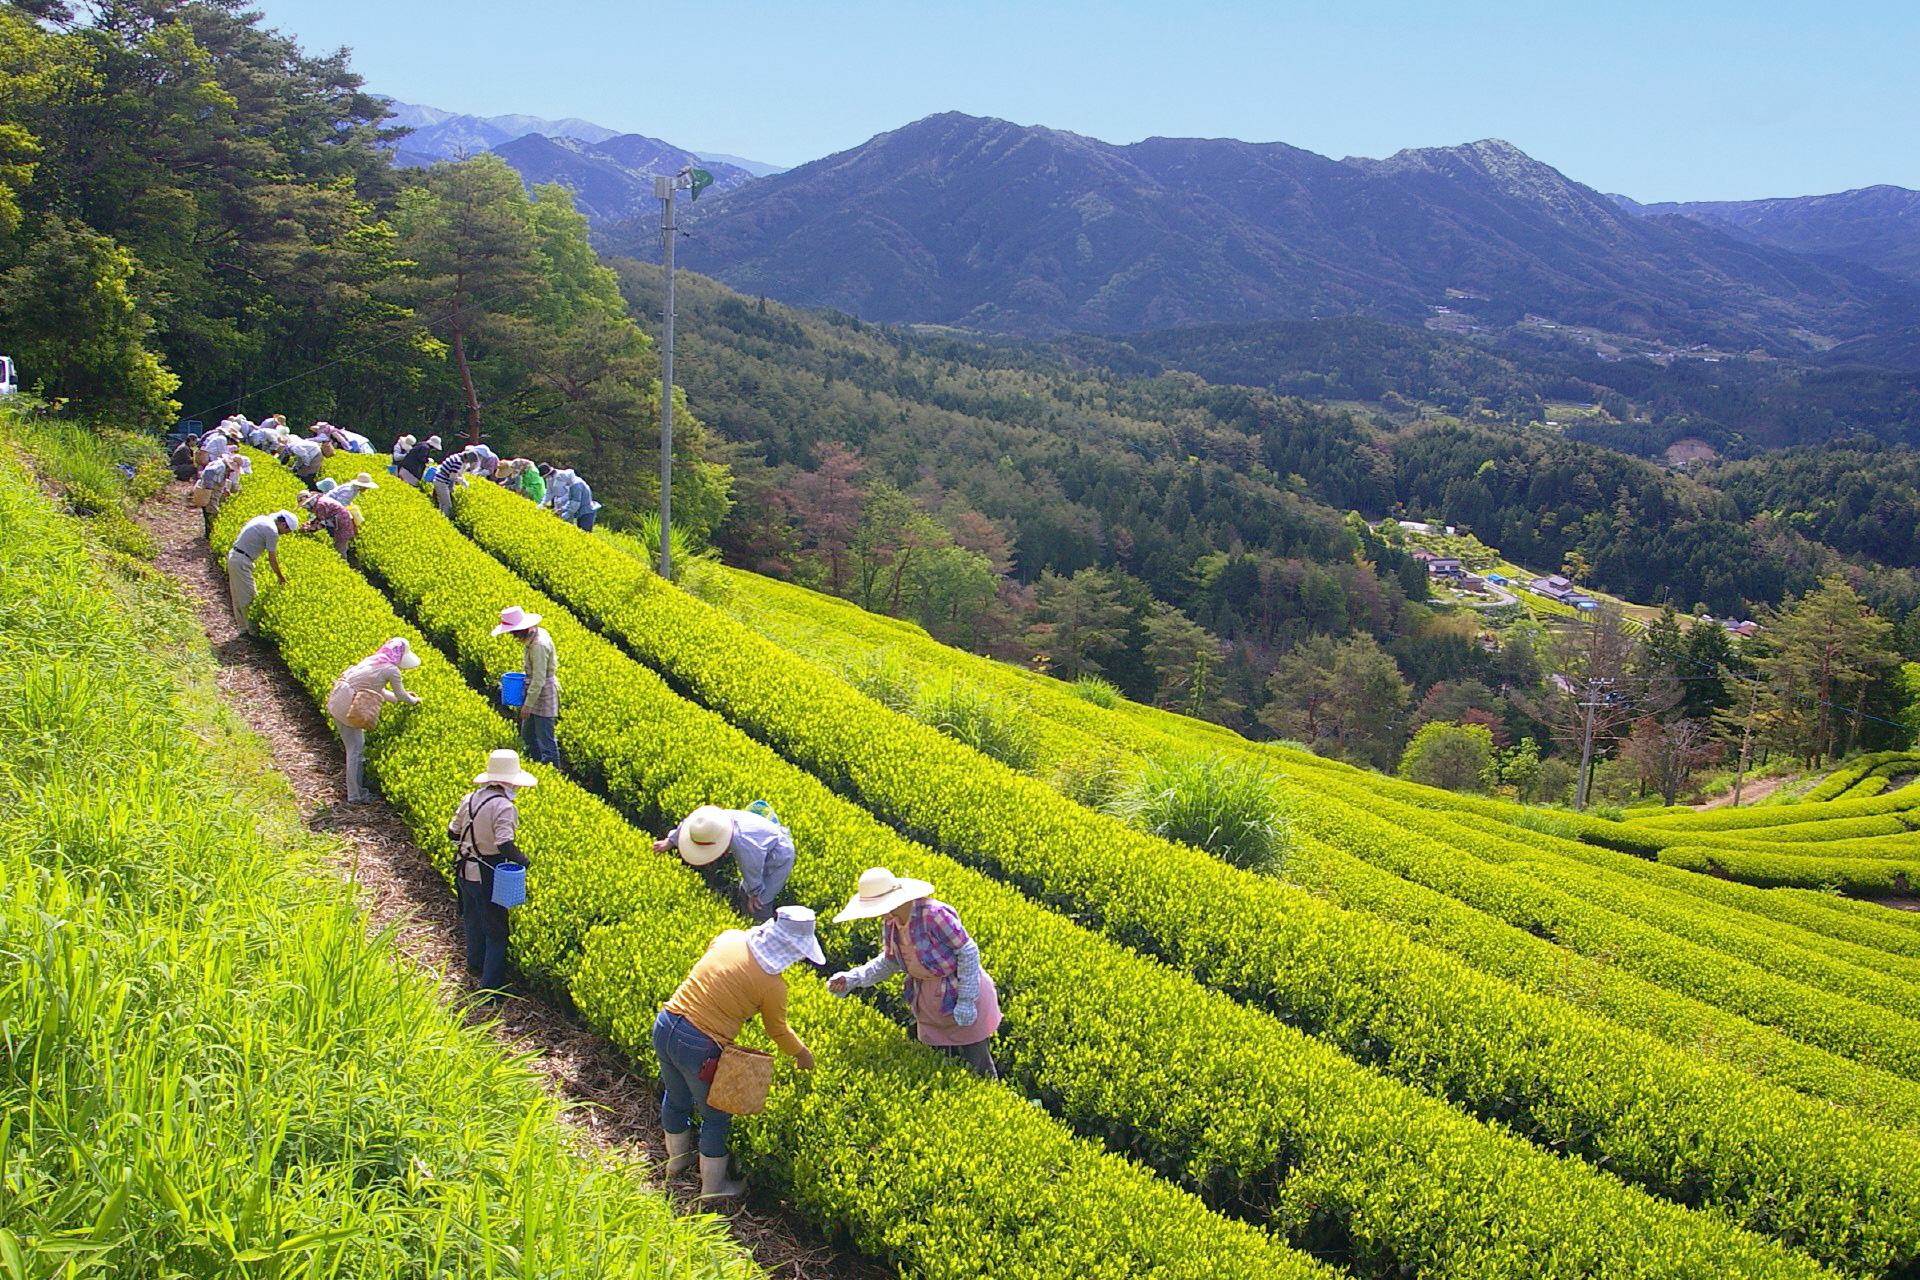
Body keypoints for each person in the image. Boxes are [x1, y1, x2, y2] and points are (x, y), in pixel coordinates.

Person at [654, 907, 820, 1198]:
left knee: (676, 1096)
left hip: (666, 1022)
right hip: (700, 1045)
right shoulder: (773, 986)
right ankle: (714, 1189)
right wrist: (802, 1054)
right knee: (715, 1117)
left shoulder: (730, 938)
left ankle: (676, 1162)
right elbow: (777, 1030)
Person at [828, 867, 1001, 1079]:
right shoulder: (891, 923)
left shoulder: (934, 915)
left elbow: (967, 950)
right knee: (935, 1064)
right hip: (926, 997)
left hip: (958, 988)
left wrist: (966, 999)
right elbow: (889, 961)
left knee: (977, 1060)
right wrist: (853, 978)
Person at [447, 748, 537, 999]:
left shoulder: (470, 798)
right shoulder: (504, 807)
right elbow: (504, 844)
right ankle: (491, 988)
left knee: (473, 919)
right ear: (510, 781)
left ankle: (475, 964)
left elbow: (452, 833)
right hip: (488, 873)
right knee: (497, 931)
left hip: (464, 870)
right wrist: (525, 861)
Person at [653, 805, 796, 923]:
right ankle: (743, 914)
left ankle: (762, 929)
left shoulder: (743, 843)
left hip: (779, 855)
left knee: (761, 902)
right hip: (760, 845)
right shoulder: (712, 821)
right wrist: (670, 841)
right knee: (745, 889)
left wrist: (755, 893)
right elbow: (690, 823)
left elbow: (752, 866)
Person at [326, 637, 422, 804]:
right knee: (355, 750)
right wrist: (414, 701)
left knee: (352, 747)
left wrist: (400, 699)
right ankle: (356, 795)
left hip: (338, 700)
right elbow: (401, 694)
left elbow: (379, 690)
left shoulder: (373, 661)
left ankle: (355, 790)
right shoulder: (391, 670)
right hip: (348, 706)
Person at [491, 605, 559, 764]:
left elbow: (539, 679)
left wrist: (527, 705)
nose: (513, 637)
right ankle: (534, 765)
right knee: (527, 737)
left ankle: (553, 769)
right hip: (533, 691)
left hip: (542, 693)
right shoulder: (534, 636)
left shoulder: (539, 645)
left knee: (546, 740)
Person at [225, 509, 296, 636]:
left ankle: (243, 628)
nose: (285, 534)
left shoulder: (263, 519)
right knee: (249, 597)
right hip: (241, 561)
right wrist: (281, 577)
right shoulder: (272, 531)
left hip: (235, 556)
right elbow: (272, 558)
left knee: (238, 595)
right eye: (287, 531)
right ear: (283, 524)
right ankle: (252, 632)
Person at [191, 453, 250, 538]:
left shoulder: (223, 467)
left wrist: (225, 489)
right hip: (210, 492)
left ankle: (209, 533)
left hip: (213, 493)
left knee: (210, 512)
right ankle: (209, 534)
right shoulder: (220, 466)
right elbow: (208, 472)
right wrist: (209, 488)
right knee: (211, 512)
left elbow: (220, 479)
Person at [297, 488, 360, 557]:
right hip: (342, 522)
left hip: (342, 525)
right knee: (341, 544)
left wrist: (311, 528)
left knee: (339, 547)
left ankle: (343, 563)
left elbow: (322, 522)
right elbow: (320, 519)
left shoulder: (320, 505)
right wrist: (312, 523)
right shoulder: (319, 501)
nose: (306, 509)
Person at [432, 445, 471, 516]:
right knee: (447, 505)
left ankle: (441, 517)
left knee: (442, 503)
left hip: (438, 479)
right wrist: (462, 482)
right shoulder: (458, 462)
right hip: (441, 482)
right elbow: (453, 476)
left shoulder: (456, 456)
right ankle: (444, 520)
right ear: (467, 459)